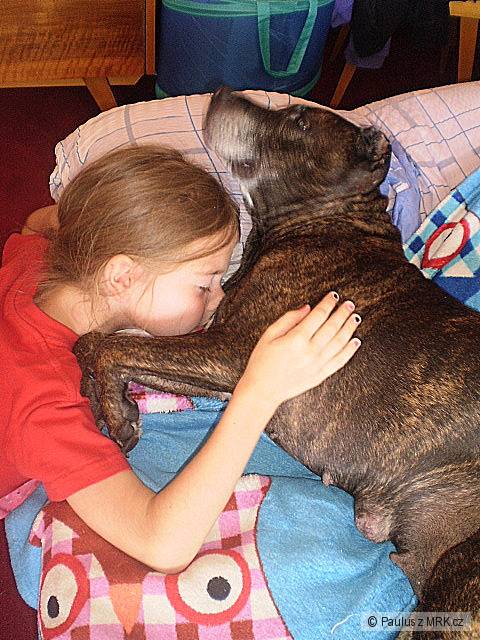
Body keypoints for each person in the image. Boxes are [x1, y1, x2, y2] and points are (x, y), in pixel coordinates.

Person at [0, 145, 361, 574]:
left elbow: (38, 222)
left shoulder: (32, 261)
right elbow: (161, 545)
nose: (219, 299)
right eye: (204, 285)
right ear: (121, 276)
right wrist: (259, 391)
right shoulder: (43, 402)